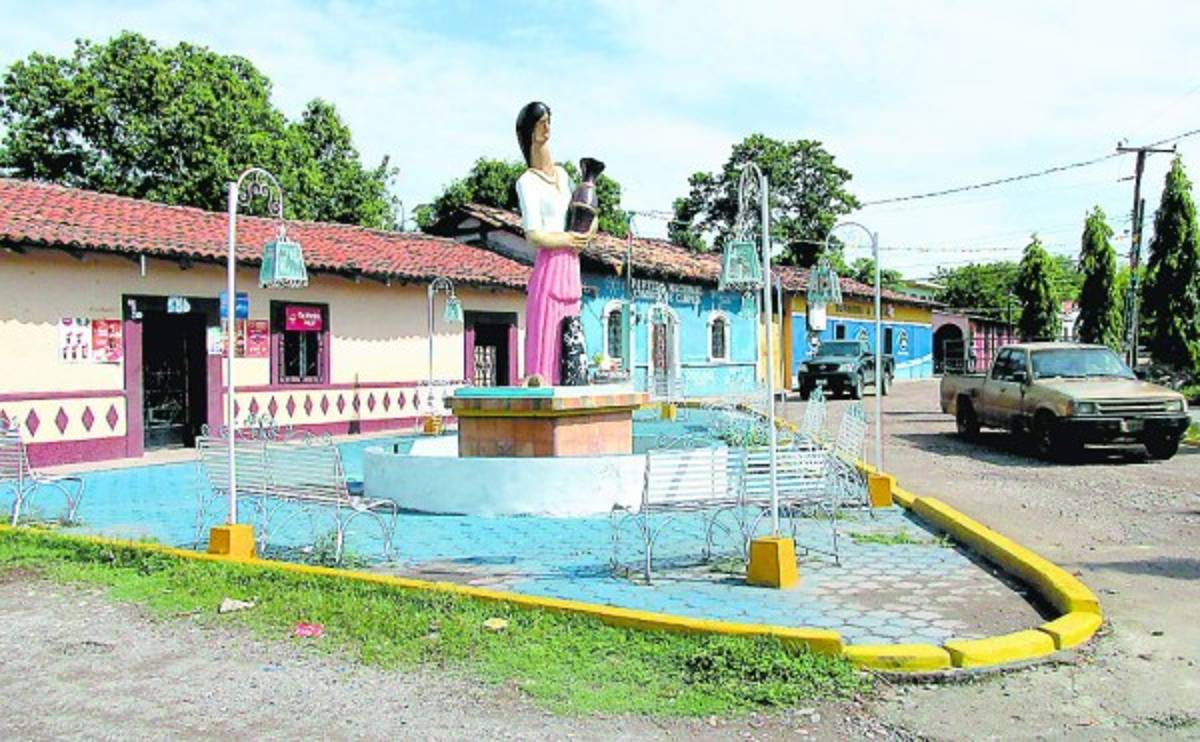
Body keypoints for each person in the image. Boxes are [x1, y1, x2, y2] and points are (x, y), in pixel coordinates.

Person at [514, 101, 597, 385]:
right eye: (541, 123)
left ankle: (572, 377)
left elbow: (584, 210)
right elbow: (534, 234)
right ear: (529, 130)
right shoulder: (527, 182)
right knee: (546, 324)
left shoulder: (562, 175)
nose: (547, 128)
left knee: (571, 322)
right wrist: (568, 239)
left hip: (571, 264)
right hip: (549, 265)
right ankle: (541, 377)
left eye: (549, 121)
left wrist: (588, 231)